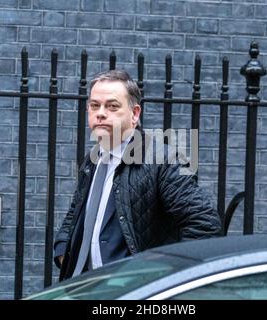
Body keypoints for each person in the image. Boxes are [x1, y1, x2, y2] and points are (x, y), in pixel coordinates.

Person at [54, 69, 222, 280]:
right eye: (94, 105)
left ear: (134, 114)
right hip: (87, 287)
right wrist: (62, 251)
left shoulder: (163, 159)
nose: (101, 113)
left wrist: (159, 277)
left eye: (112, 106)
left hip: (134, 291)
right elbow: (76, 212)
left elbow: (205, 225)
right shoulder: (94, 158)